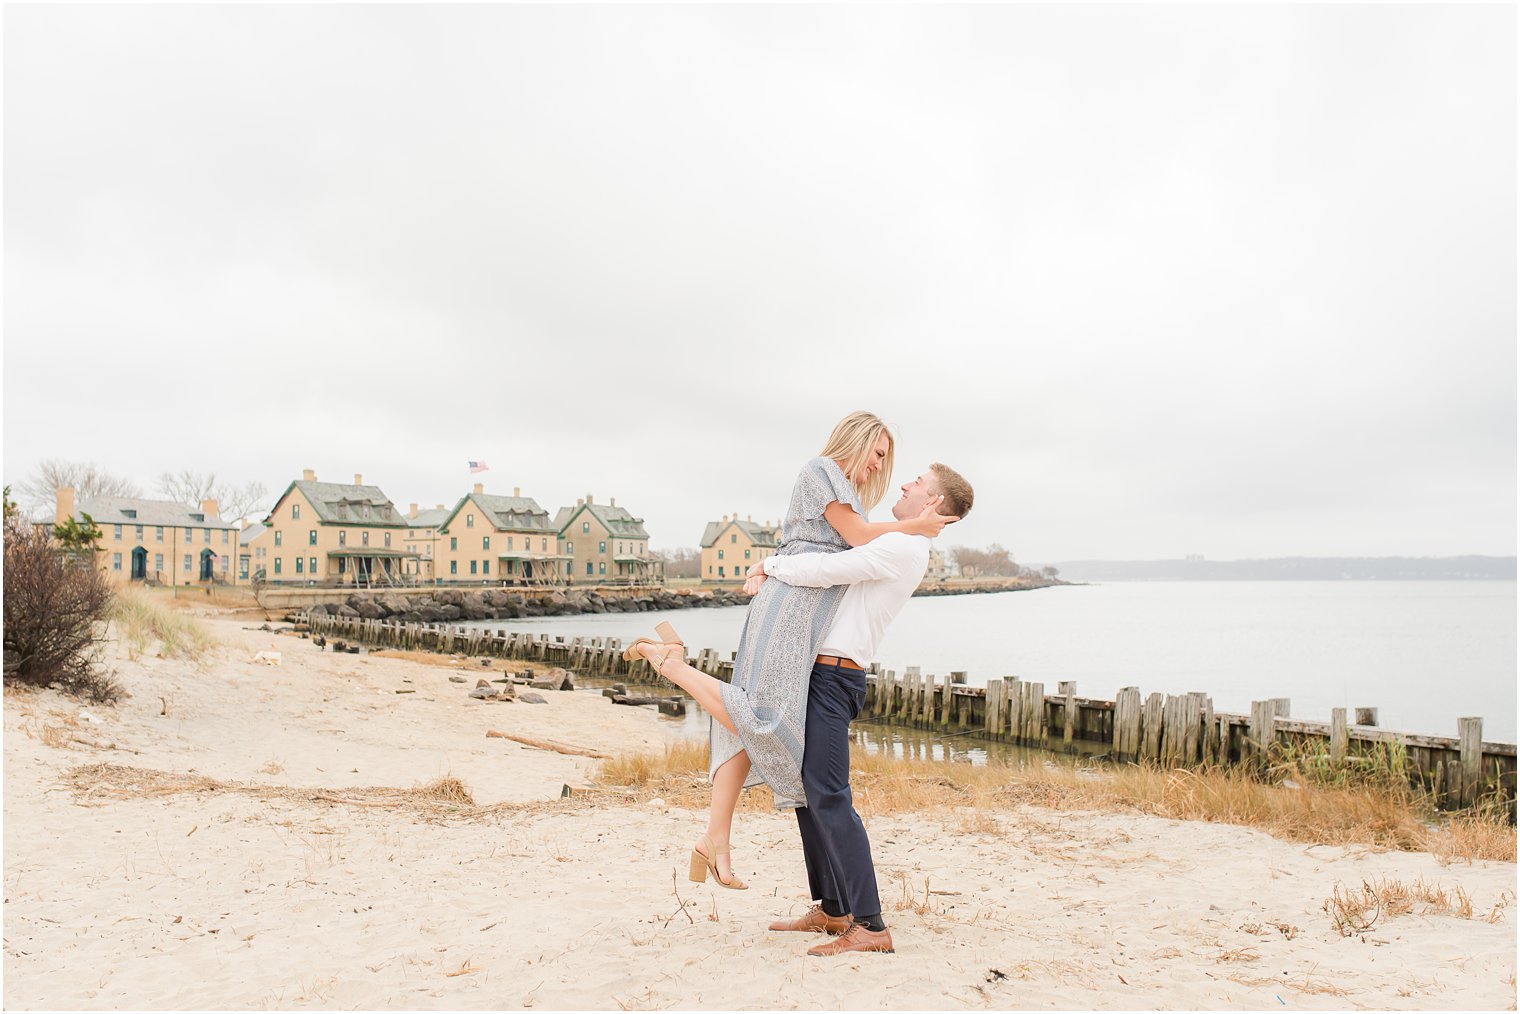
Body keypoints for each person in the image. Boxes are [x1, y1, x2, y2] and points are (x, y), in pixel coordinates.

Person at [624, 412, 953, 889]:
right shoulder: (821, 471)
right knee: (762, 717)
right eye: (878, 453)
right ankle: (671, 664)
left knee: (751, 715)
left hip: (805, 609)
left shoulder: (850, 493)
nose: (880, 466)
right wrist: (916, 526)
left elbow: (846, 552)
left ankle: (716, 837)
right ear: (857, 441)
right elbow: (857, 540)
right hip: (790, 604)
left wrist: (765, 563)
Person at [752, 461, 974, 956]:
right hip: (822, 673)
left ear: (934, 504)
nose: (905, 484)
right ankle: (833, 908)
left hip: (835, 678)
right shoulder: (897, 538)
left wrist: (769, 566)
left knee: (829, 795)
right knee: (810, 793)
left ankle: (870, 925)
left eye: (917, 483)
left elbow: (829, 570)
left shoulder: (904, 545)